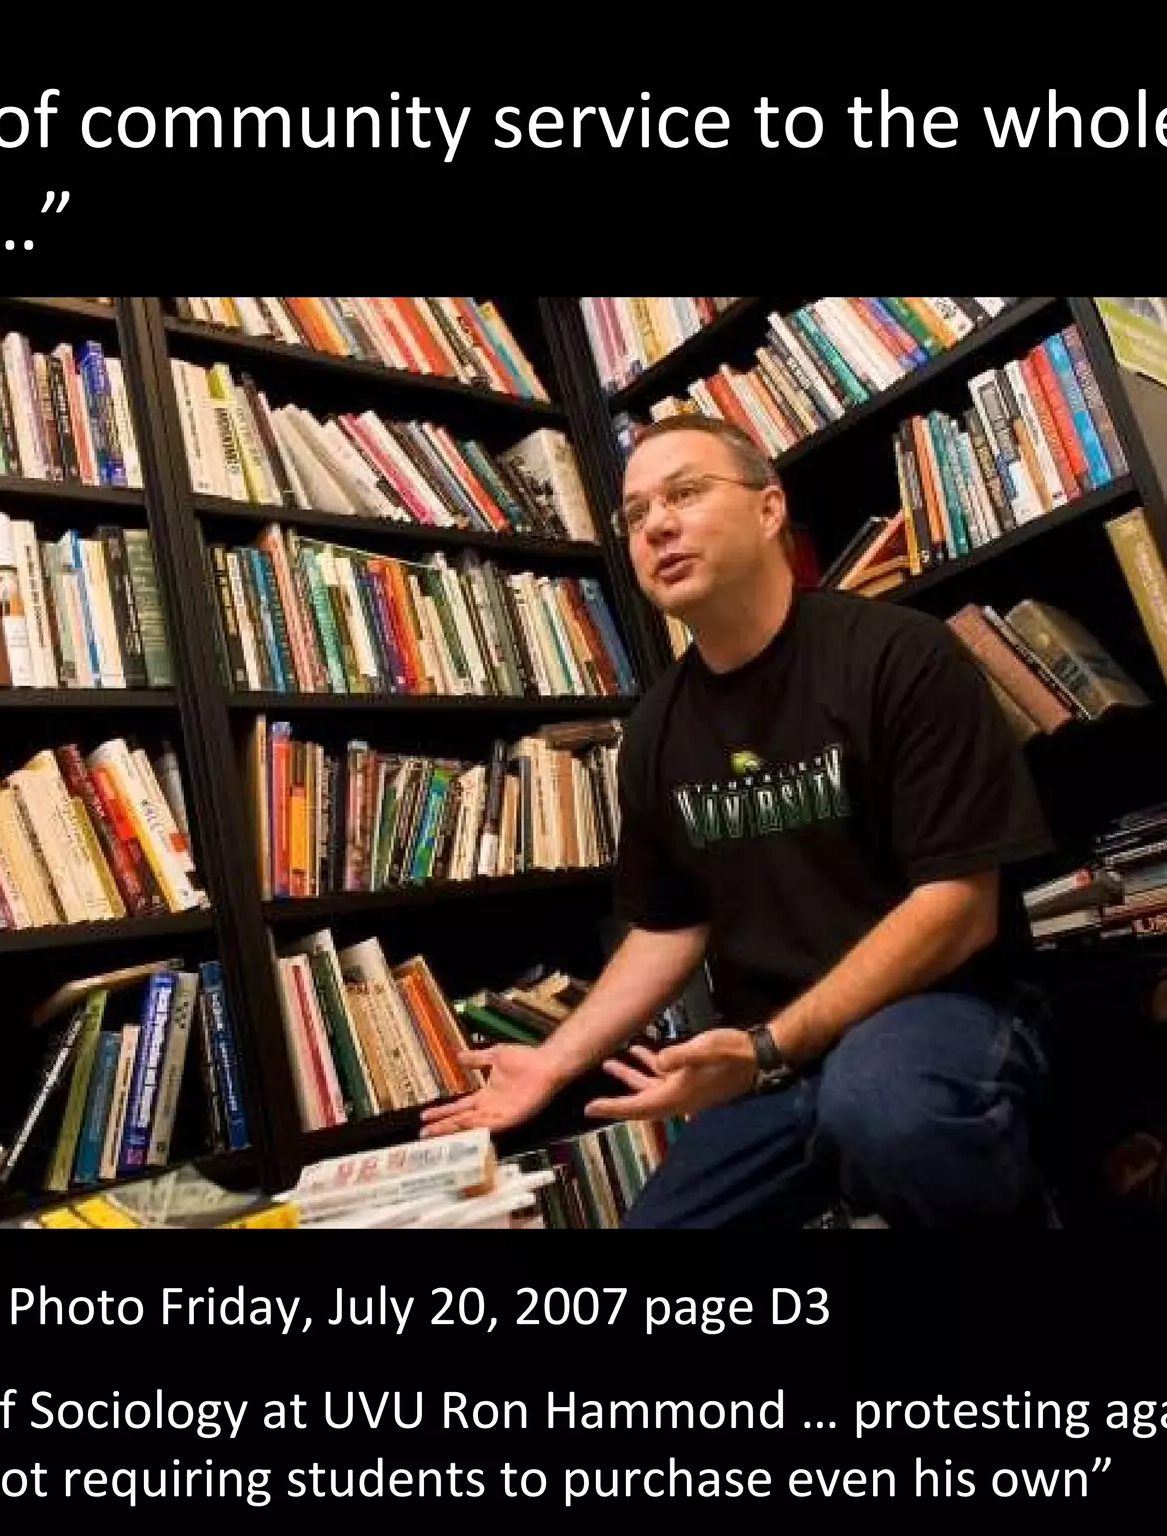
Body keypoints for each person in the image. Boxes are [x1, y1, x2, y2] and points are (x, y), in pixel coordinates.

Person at [419, 414, 1059, 1228]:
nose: (657, 524)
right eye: (636, 512)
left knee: (884, 1109)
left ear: (768, 510)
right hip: (775, 1059)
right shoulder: (654, 732)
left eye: (685, 492)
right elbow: (667, 927)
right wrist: (553, 1062)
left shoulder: (901, 656)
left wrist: (767, 1046)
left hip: (946, 1013)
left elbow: (958, 910)